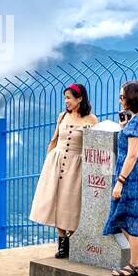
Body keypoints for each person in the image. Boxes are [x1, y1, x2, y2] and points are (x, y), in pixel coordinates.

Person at [29, 83, 99, 258]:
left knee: (73, 203)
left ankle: (74, 239)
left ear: (80, 99)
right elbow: (55, 139)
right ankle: (62, 242)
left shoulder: (91, 120)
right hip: (57, 162)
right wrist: (48, 160)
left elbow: (95, 145)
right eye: (65, 98)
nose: (66, 101)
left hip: (77, 165)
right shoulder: (62, 116)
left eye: (69, 98)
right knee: (58, 201)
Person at [103, 80, 138, 276]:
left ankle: (134, 265)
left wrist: (120, 181)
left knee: (131, 219)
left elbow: (132, 155)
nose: (120, 100)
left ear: (131, 99)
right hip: (137, 175)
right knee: (121, 217)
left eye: (122, 97)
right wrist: (125, 126)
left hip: (132, 178)